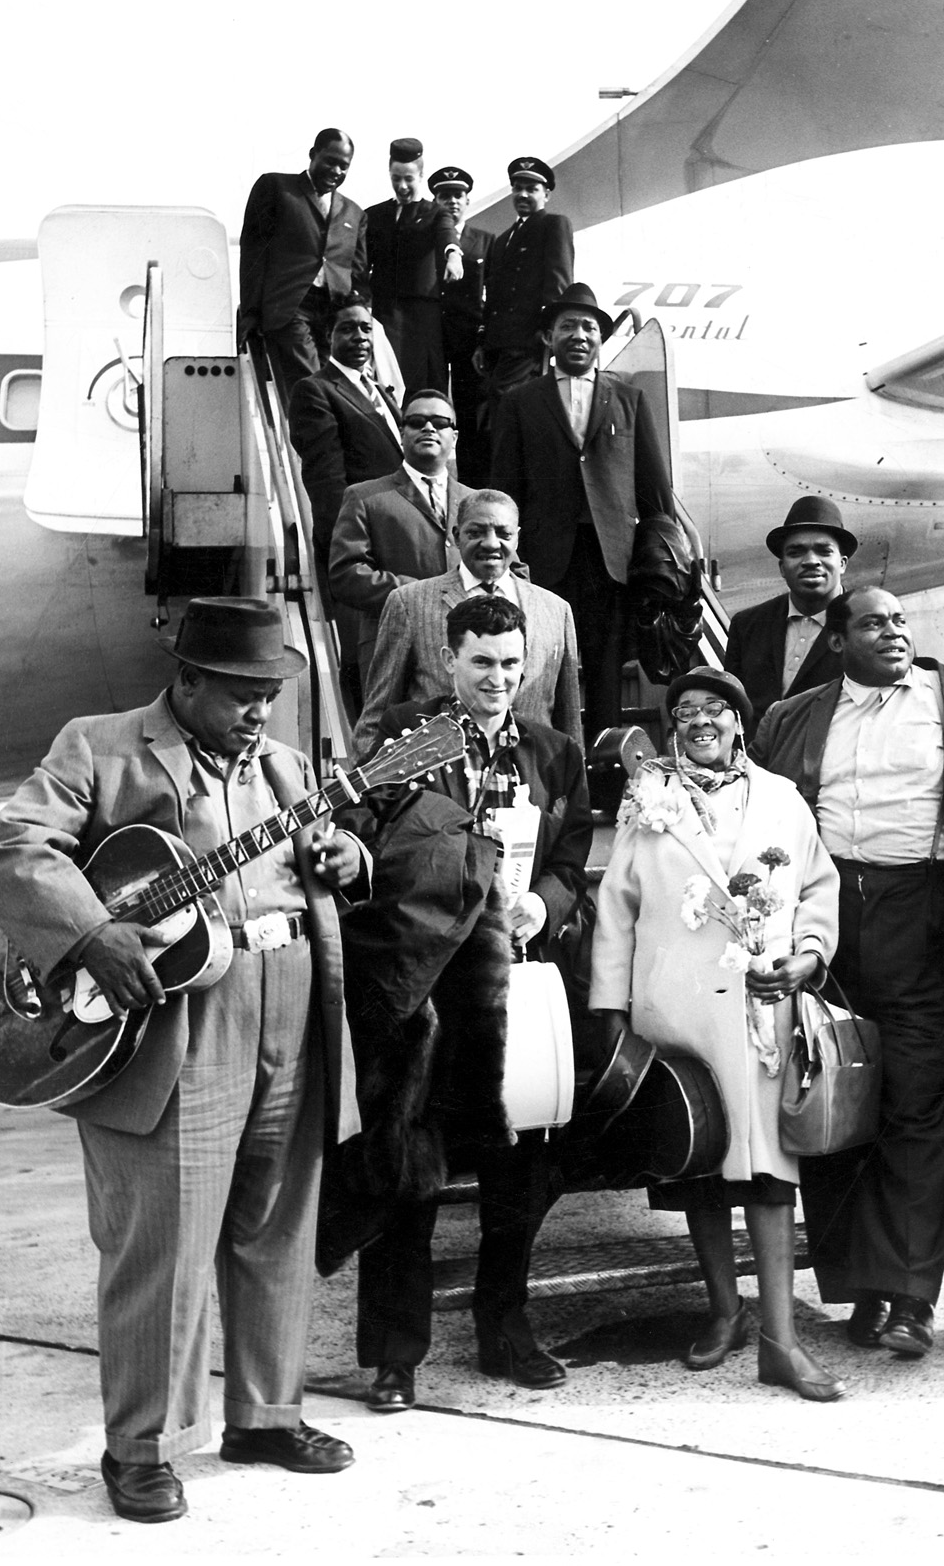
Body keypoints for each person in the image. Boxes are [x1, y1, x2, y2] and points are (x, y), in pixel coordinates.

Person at [0, 598, 361, 1523]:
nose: (260, 712)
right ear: (185, 680)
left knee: (277, 1224)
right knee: (164, 1244)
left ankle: (266, 1414)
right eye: (240, 694)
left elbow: (318, 858)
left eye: (269, 694)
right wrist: (91, 930)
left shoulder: (285, 765)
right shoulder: (99, 746)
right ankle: (143, 1446)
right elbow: (13, 848)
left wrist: (347, 855)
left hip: (292, 997)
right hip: (175, 1023)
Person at [750, 586, 944, 1360]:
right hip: (824, 918)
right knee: (828, 1093)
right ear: (837, 638)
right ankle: (859, 1283)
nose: (894, 633)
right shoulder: (793, 718)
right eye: (873, 623)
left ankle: (911, 1296)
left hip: (923, 911)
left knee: (920, 1099)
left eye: (899, 621)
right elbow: (755, 803)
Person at [337, 593, 593, 1411]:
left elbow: (574, 849)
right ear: (449, 660)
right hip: (419, 984)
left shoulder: (552, 753)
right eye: (482, 662)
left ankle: (505, 1329)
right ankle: (394, 1355)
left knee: (520, 1163)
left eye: (513, 663)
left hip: (513, 981)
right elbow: (358, 833)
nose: (499, 678)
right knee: (406, 1165)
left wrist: (544, 904)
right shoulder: (407, 742)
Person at [589, 667, 844, 1401]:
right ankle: (724, 1314)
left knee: (768, 1171)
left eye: (716, 709)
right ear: (673, 728)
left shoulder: (781, 799)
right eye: (687, 711)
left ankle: (780, 1341)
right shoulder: (648, 802)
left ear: (740, 722)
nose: (701, 719)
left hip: (763, 1008)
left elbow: (819, 886)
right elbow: (616, 908)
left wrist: (806, 957)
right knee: (698, 1162)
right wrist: (612, 1016)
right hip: (676, 1013)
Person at [491, 284, 674, 739]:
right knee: (541, 666)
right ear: (549, 338)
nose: (578, 334)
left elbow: (654, 489)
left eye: (588, 327)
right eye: (567, 325)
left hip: (611, 560)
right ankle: (551, 770)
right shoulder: (520, 401)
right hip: (544, 559)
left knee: (606, 669)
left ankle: (608, 768)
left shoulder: (629, 399)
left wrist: (661, 556)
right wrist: (509, 556)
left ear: (599, 339)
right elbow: (504, 488)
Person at [351, 488, 582, 753]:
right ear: (456, 536)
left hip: (533, 781)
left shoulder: (555, 610)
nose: (491, 543)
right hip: (440, 782)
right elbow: (376, 717)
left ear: (517, 539)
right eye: (476, 533)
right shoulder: (410, 603)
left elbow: (569, 726)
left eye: (503, 534)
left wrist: (574, 790)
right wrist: (375, 788)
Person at [287, 299, 407, 711]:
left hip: (396, 534)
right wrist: (343, 548)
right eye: (348, 329)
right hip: (361, 543)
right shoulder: (316, 391)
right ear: (328, 338)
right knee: (364, 656)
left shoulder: (380, 391)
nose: (359, 337)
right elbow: (326, 480)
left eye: (366, 329)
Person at [328, 389, 465, 688]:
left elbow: (512, 569)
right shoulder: (365, 497)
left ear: (454, 437)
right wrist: (416, 592)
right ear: (401, 433)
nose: (429, 428)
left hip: (466, 653)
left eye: (440, 422)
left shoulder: (476, 502)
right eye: (417, 421)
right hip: (395, 649)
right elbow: (346, 575)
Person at [237, 128, 365, 402]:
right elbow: (253, 254)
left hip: (332, 314)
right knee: (310, 384)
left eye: (344, 166)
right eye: (330, 160)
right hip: (289, 306)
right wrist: (250, 312)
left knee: (332, 388)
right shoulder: (276, 188)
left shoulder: (354, 213)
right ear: (312, 154)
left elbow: (357, 270)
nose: (336, 170)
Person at [724, 496, 856, 725]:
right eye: (796, 552)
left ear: (842, 563)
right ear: (782, 567)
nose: (811, 561)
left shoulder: (868, 625)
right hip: (758, 760)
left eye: (824, 551)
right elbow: (732, 708)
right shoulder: (746, 625)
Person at [358, 137, 462, 396]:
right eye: (396, 178)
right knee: (385, 380)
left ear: (421, 174)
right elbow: (360, 262)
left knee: (422, 382)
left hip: (421, 317)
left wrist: (453, 255)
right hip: (384, 312)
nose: (402, 186)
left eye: (409, 179)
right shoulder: (374, 215)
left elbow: (447, 235)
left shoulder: (435, 213)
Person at [478, 155, 574, 403]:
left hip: (526, 341)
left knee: (508, 401)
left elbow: (559, 283)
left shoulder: (553, 225)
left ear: (546, 195)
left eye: (532, 189)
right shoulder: (502, 240)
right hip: (496, 343)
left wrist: (548, 331)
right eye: (518, 188)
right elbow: (493, 295)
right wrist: (483, 343)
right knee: (492, 405)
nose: (523, 195)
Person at [429, 164, 492, 485]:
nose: (452, 202)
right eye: (444, 196)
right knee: (433, 414)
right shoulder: (429, 239)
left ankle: (471, 487)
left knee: (470, 419)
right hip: (434, 339)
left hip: (469, 342)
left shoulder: (485, 241)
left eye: (458, 195)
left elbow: (491, 296)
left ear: (468, 200)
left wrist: (483, 340)